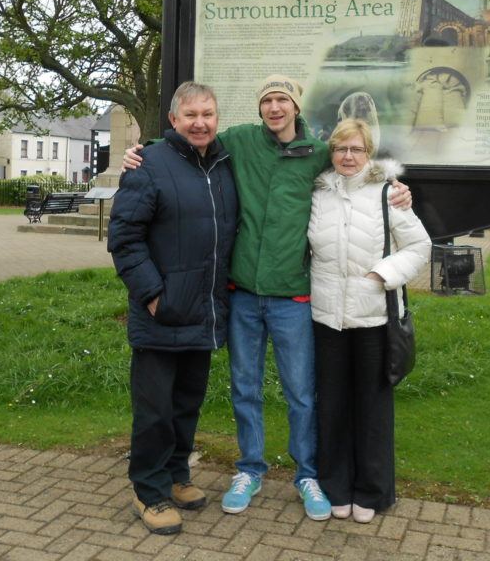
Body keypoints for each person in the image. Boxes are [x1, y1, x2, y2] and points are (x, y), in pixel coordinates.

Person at [122, 75, 412, 521]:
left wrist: (392, 187)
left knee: (300, 393)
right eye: (268, 100)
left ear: (296, 107)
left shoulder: (319, 153)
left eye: (284, 100)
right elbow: (186, 141)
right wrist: (143, 150)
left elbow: (354, 172)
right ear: (259, 108)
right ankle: (249, 469)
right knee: (245, 389)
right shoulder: (237, 142)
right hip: (241, 296)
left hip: (292, 298)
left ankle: (307, 474)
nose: (275, 108)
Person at [107, 81, 238, 535]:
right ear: (174, 120)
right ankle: (149, 492)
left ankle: (177, 475)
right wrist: (152, 294)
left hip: (203, 310)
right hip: (162, 312)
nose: (200, 123)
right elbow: (124, 238)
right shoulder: (149, 164)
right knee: (155, 409)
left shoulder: (222, 165)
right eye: (191, 115)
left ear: (216, 119)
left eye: (208, 114)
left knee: (186, 403)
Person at [307, 118, 431, 523]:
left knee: (372, 408)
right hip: (326, 319)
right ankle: (335, 487)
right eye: (341, 148)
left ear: (369, 152)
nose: (347, 156)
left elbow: (419, 245)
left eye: (356, 149)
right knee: (333, 406)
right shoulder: (318, 191)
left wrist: (384, 274)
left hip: (374, 318)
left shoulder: (388, 195)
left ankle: (372, 491)